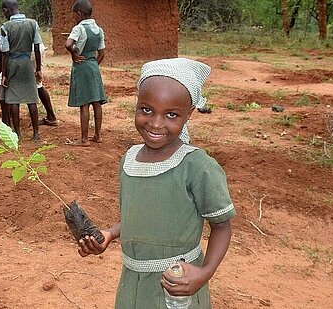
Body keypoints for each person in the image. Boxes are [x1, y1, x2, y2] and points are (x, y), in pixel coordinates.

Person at [77, 58, 236, 308]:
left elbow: (222, 226)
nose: (156, 123)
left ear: (189, 113)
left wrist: (204, 273)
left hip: (177, 285)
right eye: (147, 110)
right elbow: (140, 215)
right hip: (132, 284)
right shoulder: (129, 160)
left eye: (171, 114)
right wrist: (109, 234)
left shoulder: (197, 166)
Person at [0, 0, 43, 141]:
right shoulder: (32, 23)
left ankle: (17, 133)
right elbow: (36, 46)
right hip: (27, 63)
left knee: (13, 100)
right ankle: (36, 134)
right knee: (31, 99)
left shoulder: (6, 27)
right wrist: (38, 69)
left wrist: (4, 74)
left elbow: (5, 52)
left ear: (6, 10)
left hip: (12, 63)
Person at [65, 0, 106, 146]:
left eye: (74, 15)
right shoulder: (99, 29)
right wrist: (93, 64)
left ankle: (84, 139)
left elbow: (68, 44)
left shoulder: (79, 28)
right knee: (97, 102)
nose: (73, 18)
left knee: (84, 103)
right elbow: (101, 53)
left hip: (81, 66)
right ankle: (98, 135)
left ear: (79, 13)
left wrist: (74, 54)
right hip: (93, 66)